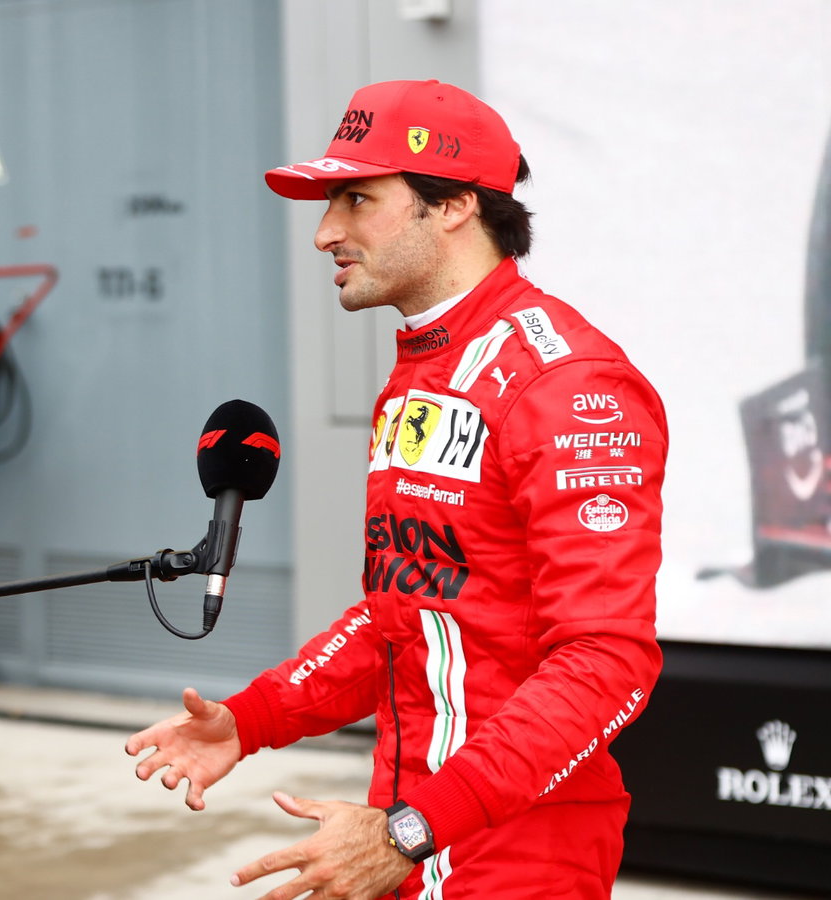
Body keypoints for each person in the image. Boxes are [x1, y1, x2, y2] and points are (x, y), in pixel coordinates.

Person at [125, 79, 667, 900]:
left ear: (451, 205)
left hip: (512, 853)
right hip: (406, 838)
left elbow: (607, 660)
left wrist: (412, 829)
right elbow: (404, 613)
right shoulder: (422, 374)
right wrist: (255, 718)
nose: (324, 233)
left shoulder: (569, 384)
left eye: (356, 198)